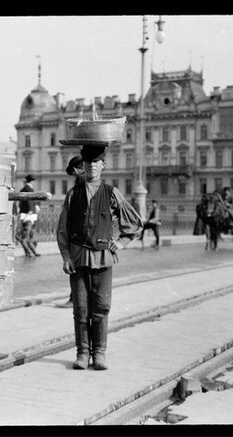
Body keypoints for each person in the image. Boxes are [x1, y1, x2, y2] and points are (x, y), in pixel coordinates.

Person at [56, 145, 143, 371]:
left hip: (103, 259)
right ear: (82, 166)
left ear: (103, 165)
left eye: (96, 162)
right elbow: (63, 229)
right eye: (87, 162)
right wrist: (65, 256)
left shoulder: (112, 193)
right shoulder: (73, 194)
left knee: (101, 308)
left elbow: (134, 223)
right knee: (81, 310)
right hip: (77, 260)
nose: (91, 166)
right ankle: (83, 353)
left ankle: (100, 354)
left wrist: (121, 242)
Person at [56, 155, 84, 309]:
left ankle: (77, 299)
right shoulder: (73, 193)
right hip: (77, 242)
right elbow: (63, 225)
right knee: (76, 271)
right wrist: (66, 255)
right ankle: (74, 299)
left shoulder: (102, 191)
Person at [17, 174, 41, 257]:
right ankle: (30, 252)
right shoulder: (29, 189)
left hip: (26, 214)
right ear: (32, 181)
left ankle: (29, 252)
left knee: (28, 234)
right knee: (28, 234)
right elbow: (29, 199)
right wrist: (31, 209)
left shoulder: (23, 189)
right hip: (29, 215)